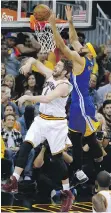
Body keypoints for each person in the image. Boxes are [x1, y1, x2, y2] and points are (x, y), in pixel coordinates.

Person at [2, 58, 75, 212]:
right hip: (42, 119)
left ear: (66, 72)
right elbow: (35, 61)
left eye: (59, 66)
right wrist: (29, 64)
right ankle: (14, 180)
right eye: (56, 65)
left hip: (56, 124)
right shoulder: (51, 75)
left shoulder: (65, 86)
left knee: (56, 159)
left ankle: (67, 192)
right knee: (25, 145)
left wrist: (28, 97)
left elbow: (47, 98)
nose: (55, 67)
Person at [48, 8, 103, 183]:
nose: (78, 44)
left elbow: (63, 45)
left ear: (86, 52)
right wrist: (70, 21)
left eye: (82, 46)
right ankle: (81, 171)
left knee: (89, 139)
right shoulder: (87, 59)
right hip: (78, 104)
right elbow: (72, 39)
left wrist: (53, 26)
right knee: (76, 139)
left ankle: (102, 165)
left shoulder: (79, 59)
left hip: (82, 105)